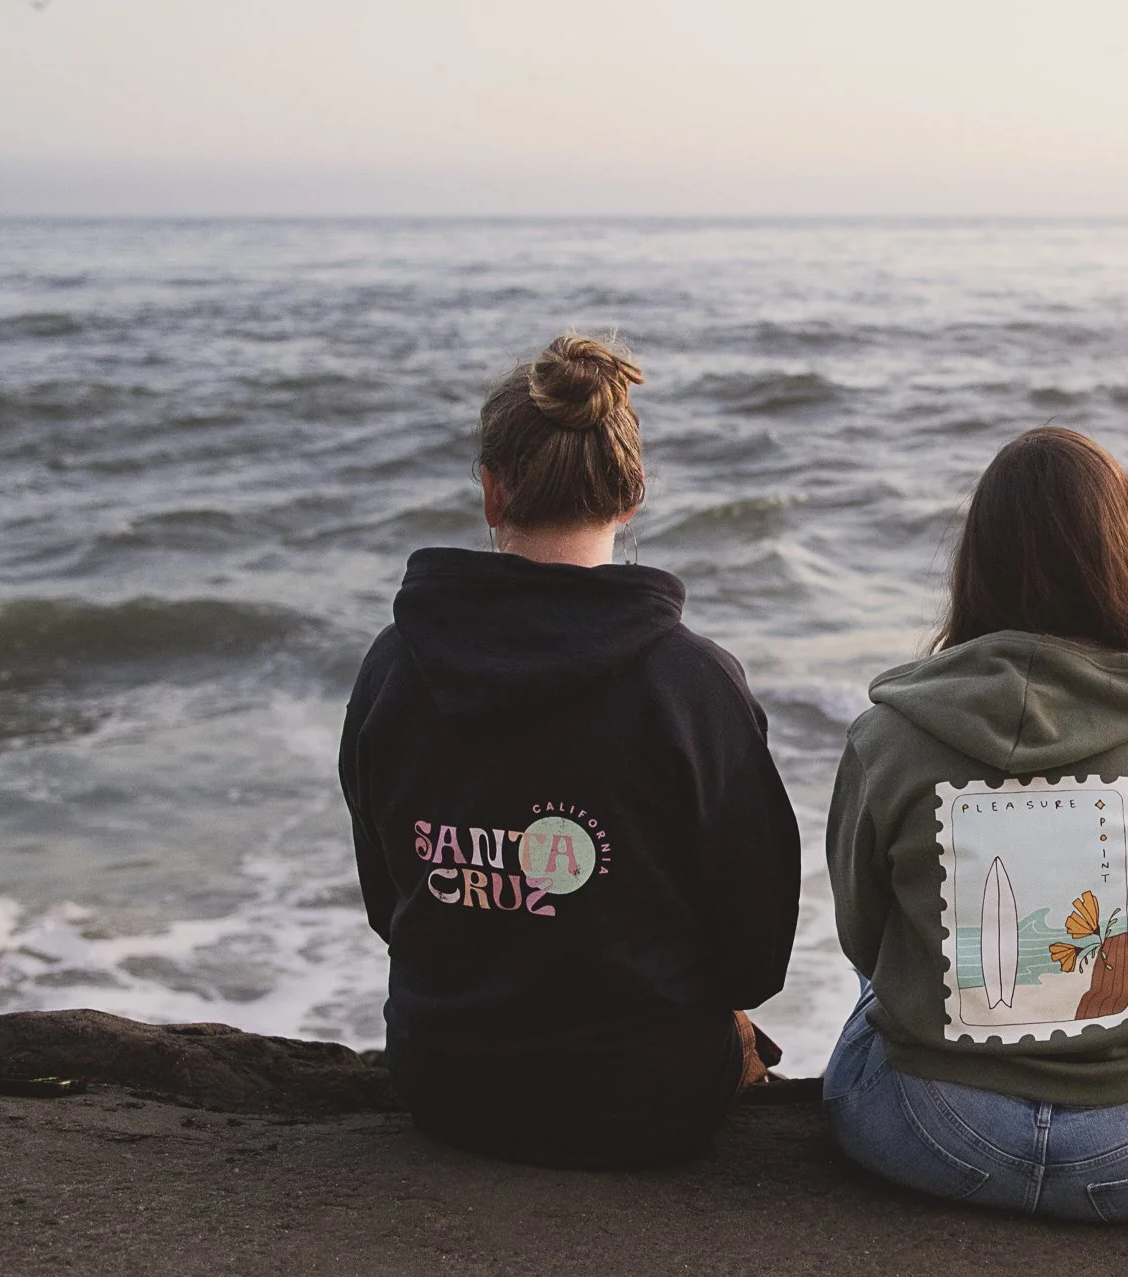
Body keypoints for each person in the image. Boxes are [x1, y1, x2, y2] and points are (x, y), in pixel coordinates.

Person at [338, 333, 800, 1169]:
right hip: (645, 1101)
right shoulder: (693, 684)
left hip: (444, 1083)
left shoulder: (394, 665)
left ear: (490, 491)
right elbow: (754, 955)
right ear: (632, 497)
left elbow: (388, 906)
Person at [822, 427, 1128, 1222]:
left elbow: (861, 934)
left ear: (974, 560)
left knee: (875, 986)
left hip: (935, 1135)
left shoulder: (887, 733)